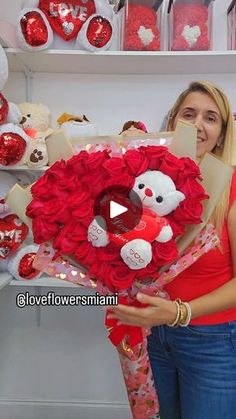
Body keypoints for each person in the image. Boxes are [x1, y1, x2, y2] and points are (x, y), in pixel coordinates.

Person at [108, 81, 236, 419]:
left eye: (211, 118)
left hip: (213, 341)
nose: (197, 124)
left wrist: (179, 312)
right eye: (189, 114)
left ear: (222, 134)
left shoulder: (232, 189)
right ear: (172, 123)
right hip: (154, 336)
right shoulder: (147, 183)